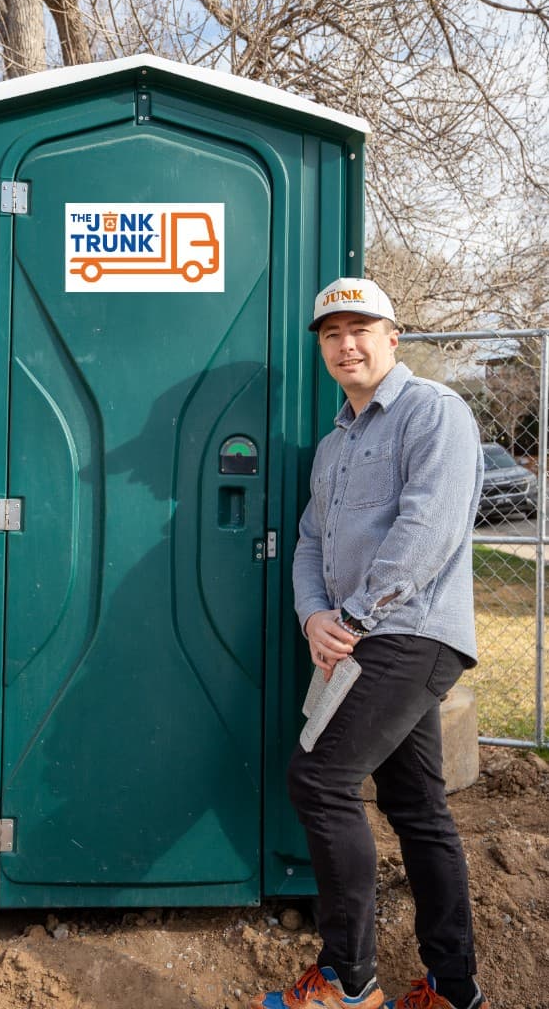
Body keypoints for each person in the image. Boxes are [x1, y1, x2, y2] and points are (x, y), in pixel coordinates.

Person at [249, 278, 488, 1009]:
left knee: (319, 780)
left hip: (408, 633)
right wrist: (312, 615)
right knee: (417, 804)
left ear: (393, 335)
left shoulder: (434, 413)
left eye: (361, 328)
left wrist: (349, 618)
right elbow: (308, 541)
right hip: (358, 635)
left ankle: (347, 981)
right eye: (331, 333)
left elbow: (428, 529)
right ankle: (454, 988)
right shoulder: (334, 444)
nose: (346, 344)